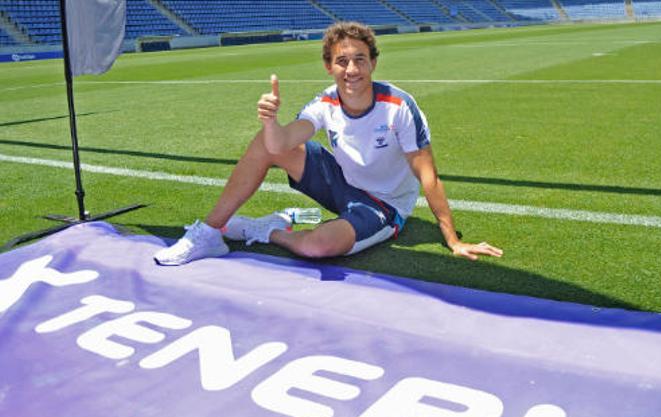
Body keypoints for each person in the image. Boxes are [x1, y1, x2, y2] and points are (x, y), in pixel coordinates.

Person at [154, 21, 502, 265]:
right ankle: (209, 233)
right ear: (329, 67)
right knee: (265, 141)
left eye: (360, 60)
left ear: (373, 63)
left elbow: (429, 177)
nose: (351, 69)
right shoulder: (325, 102)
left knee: (317, 247)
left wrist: (452, 239)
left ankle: (269, 230)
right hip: (341, 182)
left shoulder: (398, 107)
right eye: (342, 61)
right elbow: (282, 143)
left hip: (382, 205)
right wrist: (271, 122)